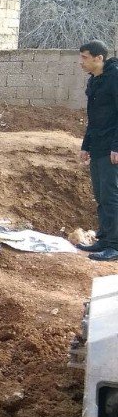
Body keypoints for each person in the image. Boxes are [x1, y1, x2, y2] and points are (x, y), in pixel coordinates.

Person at [77, 40, 118, 261]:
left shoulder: (115, 78)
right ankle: (104, 238)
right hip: (98, 145)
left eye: (84, 57)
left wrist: (117, 146)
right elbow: (93, 118)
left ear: (99, 58)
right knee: (101, 195)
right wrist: (86, 146)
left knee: (112, 196)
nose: (81, 61)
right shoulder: (95, 81)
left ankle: (115, 246)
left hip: (112, 147)